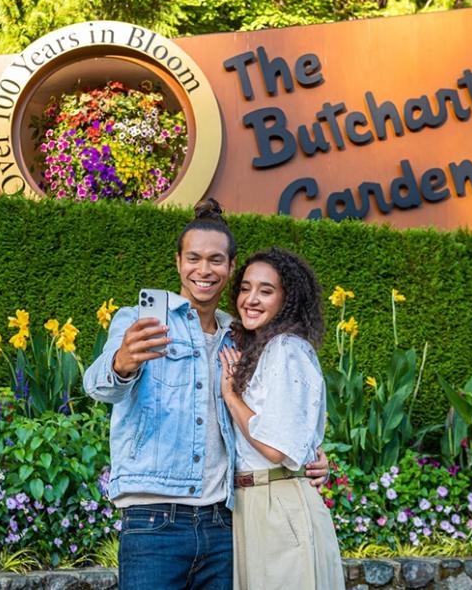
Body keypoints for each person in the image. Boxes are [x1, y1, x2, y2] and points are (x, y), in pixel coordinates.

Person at [83, 200, 329, 590]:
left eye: (216, 260)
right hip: (153, 522)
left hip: (223, 523)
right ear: (179, 262)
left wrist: (308, 454)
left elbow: (278, 406)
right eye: (193, 258)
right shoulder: (139, 321)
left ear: (230, 268)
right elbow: (96, 385)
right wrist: (122, 362)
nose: (204, 270)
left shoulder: (241, 336)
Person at [220, 247, 345, 590]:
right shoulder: (258, 347)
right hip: (256, 503)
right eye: (245, 288)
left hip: (277, 503)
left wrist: (230, 396)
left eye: (266, 290)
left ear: (287, 299)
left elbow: (275, 448)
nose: (251, 299)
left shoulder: (286, 349)